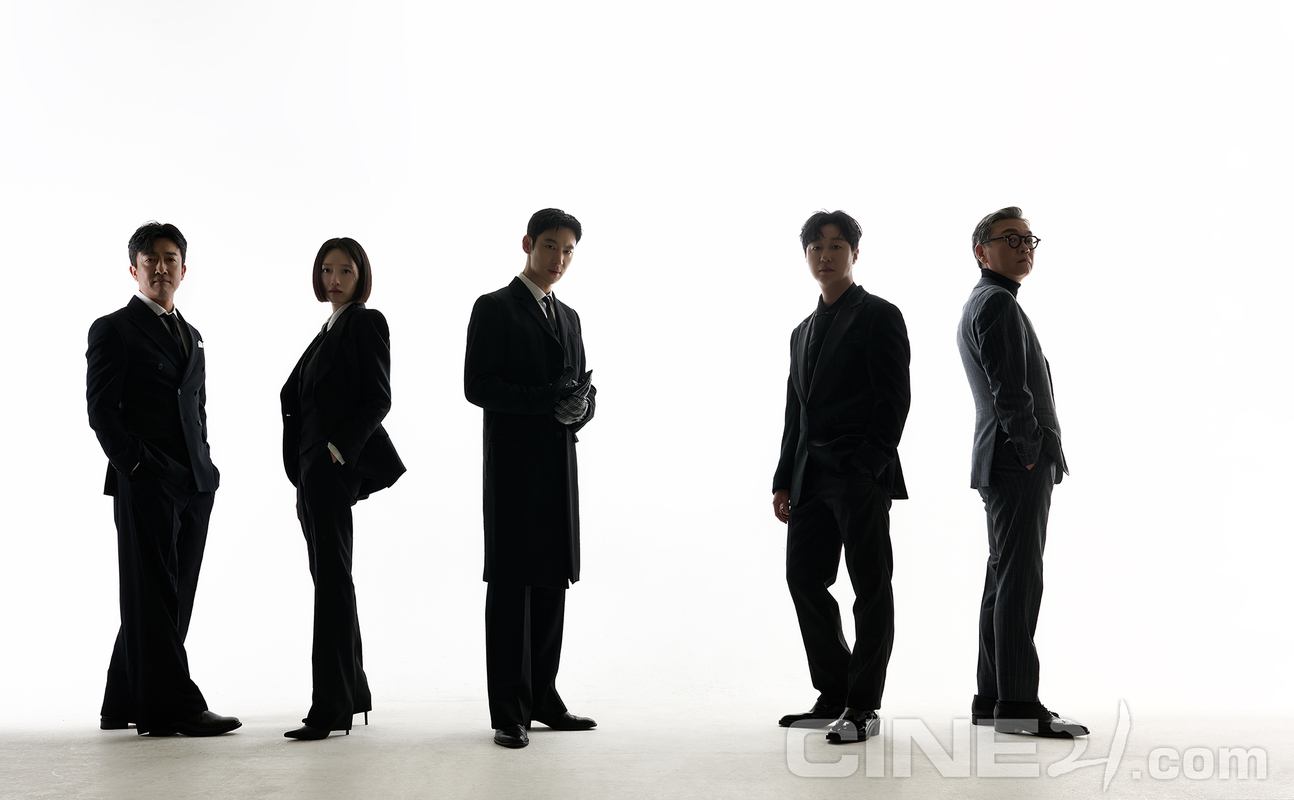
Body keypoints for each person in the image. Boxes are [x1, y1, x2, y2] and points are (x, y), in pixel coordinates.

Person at [87, 222, 241, 736]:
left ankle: (122, 700)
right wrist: (135, 468)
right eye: (149, 259)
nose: (160, 267)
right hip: (146, 480)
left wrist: (207, 470)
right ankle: (173, 707)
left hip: (194, 483)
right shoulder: (113, 329)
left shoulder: (192, 335)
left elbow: (196, 410)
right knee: (153, 594)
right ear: (133, 269)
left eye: (169, 258)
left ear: (183, 269)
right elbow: (101, 412)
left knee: (170, 595)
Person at [772, 210, 911, 744]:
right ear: (806, 255)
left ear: (855, 253)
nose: (825, 255)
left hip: (858, 475)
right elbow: (796, 412)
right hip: (809, 477)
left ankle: (862, 705)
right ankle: (833, 693)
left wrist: (867, 466)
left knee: (870, 587)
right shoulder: (801, 331)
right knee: (804, 579)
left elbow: (895, 399)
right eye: (816, 247)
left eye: (835, 246)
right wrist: (784, 478)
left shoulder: (880, 315)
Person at [464, 208, 597, 749]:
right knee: (511, 585)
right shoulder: (494, 307)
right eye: (549, 246)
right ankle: (508, 711)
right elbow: (478, 385)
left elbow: (580, 387)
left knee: (550, 582)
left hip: (557, 464)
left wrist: (582, 408)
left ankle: (543, 697)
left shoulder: (570, 317)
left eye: (568, 250)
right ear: (527, 243)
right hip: (514, 467)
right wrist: (548, 401)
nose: (558, 258)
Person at [957, 207, 1087, 738]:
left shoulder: (989, 301)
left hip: (1002, 459)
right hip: (1014, 460)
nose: (1023, 247)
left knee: (1003, 577)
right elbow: (1009, 389)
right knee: (1019, 580)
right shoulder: (996, 304)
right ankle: (1016, 705)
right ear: (981, 251)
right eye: (1009, 239)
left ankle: (992, 699)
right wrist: (1032, 449)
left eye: (1029, 239)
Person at [279, 237, 405, 740]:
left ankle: (330, 707)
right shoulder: (327, 330)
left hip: (330, 467)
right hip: (311, 472)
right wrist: (305, 466)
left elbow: (378, 398)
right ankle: (351, 693)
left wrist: (336, 451)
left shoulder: (366, 322)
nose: (334, 279)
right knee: (331, 579)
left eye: (345, 271)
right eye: (327, 270)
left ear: (361, 276)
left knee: (332, 582)